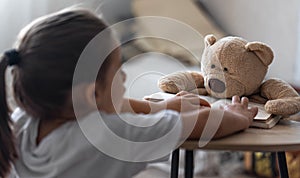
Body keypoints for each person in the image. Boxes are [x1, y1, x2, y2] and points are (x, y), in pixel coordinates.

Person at [0, 8, 258, 178]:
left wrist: (162, 107)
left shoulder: (24, 121)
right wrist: (235, 115)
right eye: (118, 72)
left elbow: (116, 106)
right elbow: (198, 124)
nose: (124, 77)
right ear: (91, 95)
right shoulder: (112, 136)